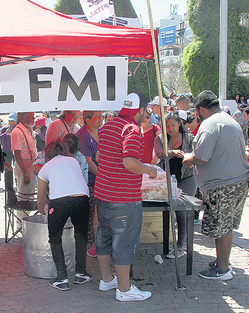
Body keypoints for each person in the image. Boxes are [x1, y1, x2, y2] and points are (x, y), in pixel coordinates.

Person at [95, 93, 158, 302]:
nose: (146, 116)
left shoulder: (107, 127)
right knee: (124, 241)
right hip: (123, 198)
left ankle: (106, 279)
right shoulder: (131, 129)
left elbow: (99, 157)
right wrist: (149, 170)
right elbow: (130, 162)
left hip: (103, 193)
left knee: (104, 237)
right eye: (146, 112)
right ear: (139, 111)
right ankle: (124, 289)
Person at [183, 90, 249, 281]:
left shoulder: (211, 124)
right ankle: (222, 261)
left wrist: (187, 158)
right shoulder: (229, 120)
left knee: (222, 228)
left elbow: (201, 157)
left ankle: (223, 269)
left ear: (201, 109)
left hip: (223, 185)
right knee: (225, 226)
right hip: (236, 182)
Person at [37, 139, 92, 291]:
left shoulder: (45, 168)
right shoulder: (73, 161)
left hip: (59, 202)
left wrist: (42, 210)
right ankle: (81, 273)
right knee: (81, 236)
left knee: (55, 238)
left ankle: (62, 278)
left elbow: (41, 196)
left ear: (46, 154)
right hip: (82, 198)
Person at [155, 111, 196, 258]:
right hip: (168, 179)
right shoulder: (160, 138)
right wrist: (172, 152)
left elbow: (195, 153)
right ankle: (171, 243)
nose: (170, 128)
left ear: (180, 124)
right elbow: (159, 153)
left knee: (182, 210)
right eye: (167, 125)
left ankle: (181, 244)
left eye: (173, 125)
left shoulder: (189, 137)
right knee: (169, 211)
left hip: (187, 177)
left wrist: (185, 155)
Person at [76, 110, 103, 257]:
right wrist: (103, 176)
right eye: (96, 117)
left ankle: (96, 244)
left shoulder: (100, 132)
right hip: (89, 182)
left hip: (98, 179)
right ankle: (89, 245)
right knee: (89, 214)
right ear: (87, 120)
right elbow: (88, 161)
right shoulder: (83, 135)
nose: (100, 119)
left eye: (101, 116)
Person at [11, 112, 38, 200]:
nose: (34, 118)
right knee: (24, 196)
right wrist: (25, 172)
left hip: (31, 165)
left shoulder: (29, 129)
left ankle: (28, 213)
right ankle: (22, 214)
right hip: (24, 167)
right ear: (23, 117)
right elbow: (17, 154)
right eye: (31, 116)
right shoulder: (17, 132)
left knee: (30, 195)